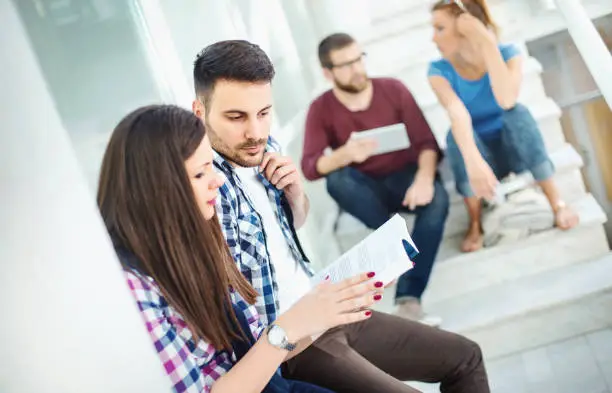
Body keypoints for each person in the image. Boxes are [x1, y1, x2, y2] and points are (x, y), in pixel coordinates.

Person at [193, 39, 490, 393]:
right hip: (295, 341)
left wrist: (296, 195)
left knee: (466, 357)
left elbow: (289, 228)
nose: (255, 131)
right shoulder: (203, 186)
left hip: (327, 305)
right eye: (236, 117)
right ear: (200, 112)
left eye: (264, 113)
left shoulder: (264, 148)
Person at [97, 104, 383, 393]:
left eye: (212, 165)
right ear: (155, 191)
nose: (218, 181)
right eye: (200, 174)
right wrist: (289, 327)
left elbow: (263, 355)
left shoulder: (196, 242)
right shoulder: (134, 290)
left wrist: (335, 306)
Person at [300, 33, 450, 324]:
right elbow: (310, 166)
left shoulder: (393, 89)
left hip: (405, 178)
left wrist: (424, 178)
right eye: (346, 64)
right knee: (337, 180)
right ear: (328, 73)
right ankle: (394, 238)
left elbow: (427, 143)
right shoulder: (321, 108)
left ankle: (408, 298)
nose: (357, 69)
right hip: (366, 188)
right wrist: (345, 154)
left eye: (359, 59)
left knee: (439, 200)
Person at [428, 0, 579, 253]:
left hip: (514, 151)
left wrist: (486, 42)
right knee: (455, 134)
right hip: (479, 162)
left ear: (466, 29)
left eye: (440, 28)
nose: (433, 38)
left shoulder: (508, 54)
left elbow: (506, 100)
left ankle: (557, 202)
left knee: (517, 113)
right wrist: (474, 162)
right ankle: (475, 222)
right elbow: (458, 114)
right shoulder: (438, 70)